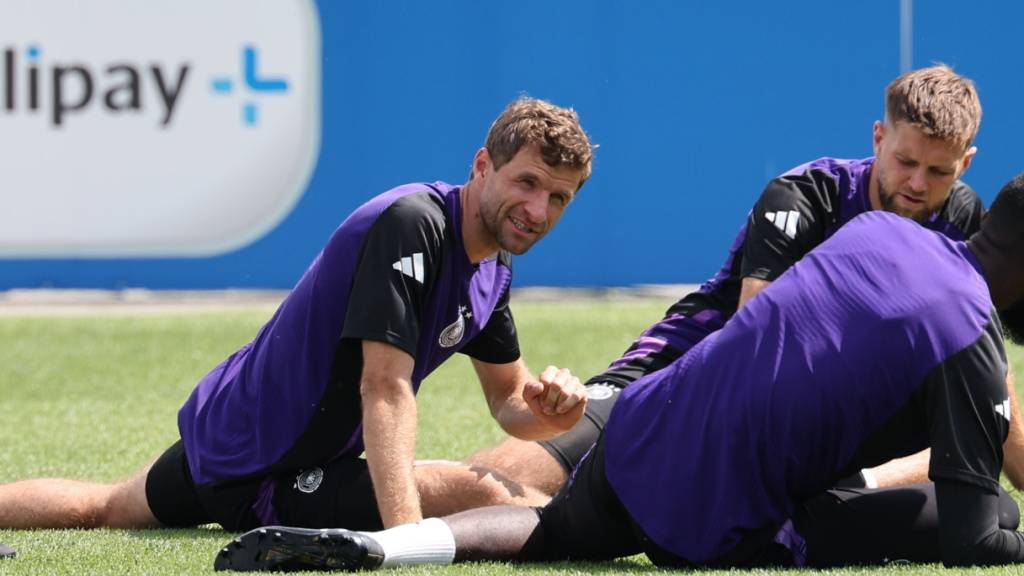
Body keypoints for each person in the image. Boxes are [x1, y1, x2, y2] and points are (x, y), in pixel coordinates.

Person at [215, 171, 1024, 571]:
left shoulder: (882, 234)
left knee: (557, 531)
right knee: (997, 524)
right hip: (717, 522)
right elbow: (971, 537)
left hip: (644, 427)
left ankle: (388, 549)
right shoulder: (969, 332)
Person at [0, 97, 594, 532]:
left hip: (229, 436)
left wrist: (552, 412)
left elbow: (509, 400)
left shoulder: (492, 268)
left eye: (558, 197)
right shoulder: (414, 224)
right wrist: (409, 543)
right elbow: (383, 385)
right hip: (257, 466)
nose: (538, 209)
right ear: (483, 166)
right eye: (528, 182)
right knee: (479, 493)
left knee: (105, 508)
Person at [466, 63, 1024, 499]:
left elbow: (988, 378)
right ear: (878, 137)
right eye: (905, 162)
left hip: (822, 413)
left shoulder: (967, 222)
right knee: (532, 475)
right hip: (690, 363)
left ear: (966, 165)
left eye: (939, 172)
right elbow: (757, 340)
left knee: (961, 433)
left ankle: (848, 486)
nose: (917, 184)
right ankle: (399, 511)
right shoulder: (806, 196)